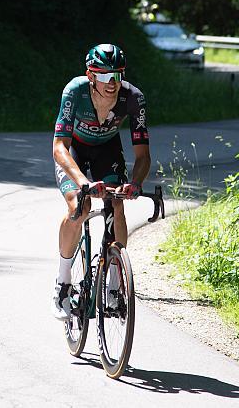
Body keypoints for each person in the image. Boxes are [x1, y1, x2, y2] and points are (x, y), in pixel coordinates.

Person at [51, 43, 151, 319]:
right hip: (75, 152)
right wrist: (83, 183)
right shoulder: (75, 91)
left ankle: (115, 288)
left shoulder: (133, 98)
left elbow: (143, 155)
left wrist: (135, 183)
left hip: (107, 150)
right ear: (91, 76)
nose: (112, 83)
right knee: (78, 209)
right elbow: (59, 147)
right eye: (105, 76)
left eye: (117, 76)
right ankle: (62, 284)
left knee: (117, 205)